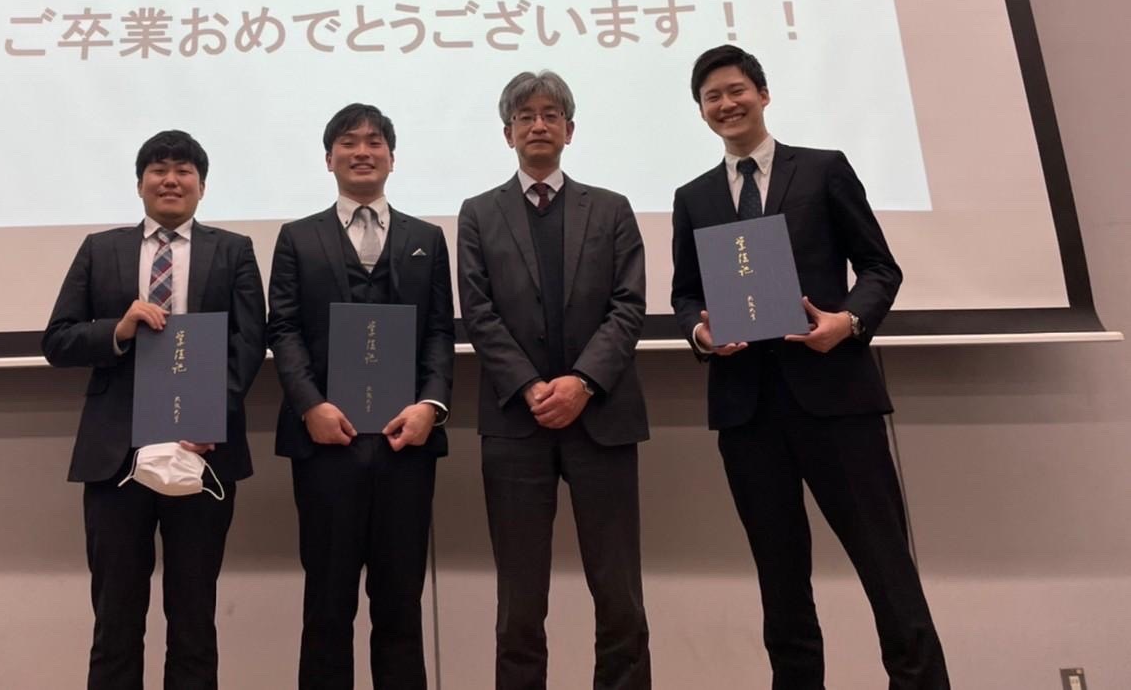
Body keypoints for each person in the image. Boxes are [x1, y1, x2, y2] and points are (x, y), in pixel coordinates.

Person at [671, 44, 949, 689]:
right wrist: (701, 333)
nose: (726, 104)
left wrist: (846, 323)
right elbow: (686, 295)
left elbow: (880, 268)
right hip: (747, 411)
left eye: (736, 90)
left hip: (836, 399)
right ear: (702, 111)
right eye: (712, 97)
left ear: (763, 95)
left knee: (886, 566)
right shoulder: (694, 197)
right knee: (780, 579)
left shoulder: (823, 170)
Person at [42, 130, 265, 690]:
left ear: (202, 186)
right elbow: (58, 340)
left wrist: (211, 414)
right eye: (158, 170)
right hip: (116, 454)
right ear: (140, 183)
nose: (171, 180)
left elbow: (248, 342)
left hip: (203, 450)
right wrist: (116, 330)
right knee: (115, 617)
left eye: (183, 170)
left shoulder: (233, 250)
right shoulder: (100, 249)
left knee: (194, 617)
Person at [457, 70, 651, 690]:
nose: (537, 125)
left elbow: (629, 306)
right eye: (525, 116)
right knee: (519, 599)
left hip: (602, 418)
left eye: (550, 115)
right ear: (507, 133)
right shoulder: (478, 213)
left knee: (619, 593)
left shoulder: (612, 208)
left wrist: (583, 383)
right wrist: (530, 386)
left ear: (570, 129)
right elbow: (478, 311)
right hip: (516, 422)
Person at [267, 103, 455, 690]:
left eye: (375, 142)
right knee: (327, 605)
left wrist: (430, 406)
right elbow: (284, 329)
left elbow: (439, 332)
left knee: (400, 605)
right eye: (348, 142)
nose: (362, 151)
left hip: (407, 444)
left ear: (392, 158)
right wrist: (310, 405)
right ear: (329, 159)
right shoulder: (297, 237)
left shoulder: (427, 239)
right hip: (325, 443)